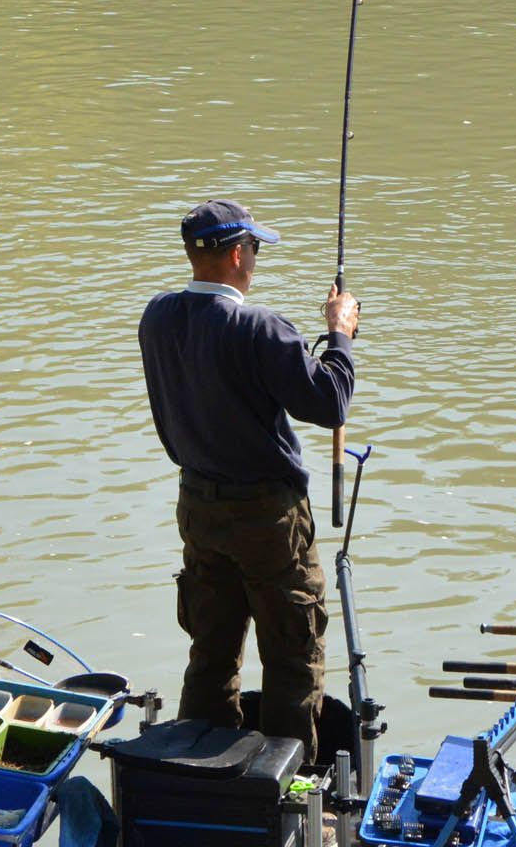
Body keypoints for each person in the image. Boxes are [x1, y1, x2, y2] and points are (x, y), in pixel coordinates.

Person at [137, 198, 360, 764]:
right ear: (238, 253)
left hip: (198, 506)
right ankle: (290, 794)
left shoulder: (157, 317)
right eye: (255, 248)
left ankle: (196, 773)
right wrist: (340, 335)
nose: (256, 258)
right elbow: (331, 402)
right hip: (268, 519)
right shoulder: (260, 327)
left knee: (210, 650)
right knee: (292, 654)